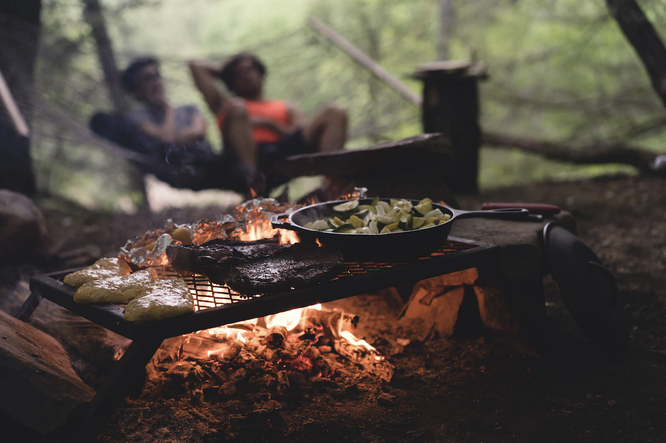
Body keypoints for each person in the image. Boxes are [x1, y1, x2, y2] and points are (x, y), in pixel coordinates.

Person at [189, 52, 348, 187]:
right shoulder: (225, 105)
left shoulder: (286, 106)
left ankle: (332, 184)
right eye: (238, 74)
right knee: (238, 107)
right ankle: (254, 185)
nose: (245, 75)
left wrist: (269, 124)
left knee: (335, 111)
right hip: (246, 159)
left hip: (284, 150)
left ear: (261, 73)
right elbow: (195, 66)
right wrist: (225, 73)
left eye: (250, 69)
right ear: (232, 82)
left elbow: (301, 133)